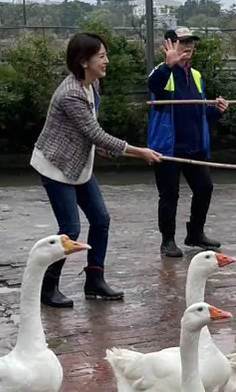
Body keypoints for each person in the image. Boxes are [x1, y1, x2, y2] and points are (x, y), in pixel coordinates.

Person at [32, 33, 162, 307]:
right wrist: (140, 152)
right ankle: (46, 288)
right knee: (70, 228)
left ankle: (94, 280)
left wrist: (102, 150)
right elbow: (95, 133)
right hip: (56, 165)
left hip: (79, 165)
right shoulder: (70, 94)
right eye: (101, 56)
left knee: (101, 219)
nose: (107, 61)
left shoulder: (93, 85)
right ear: (83, 61)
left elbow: (88, 134)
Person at [147, 27, 230, 259]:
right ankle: (168, 241)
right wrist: (168, 65)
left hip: (195, 147)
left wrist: (217, 112)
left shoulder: (195, 75)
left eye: (191, 42)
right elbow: (153, 86)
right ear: (170, 45)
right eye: (183, 42)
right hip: (167, 147)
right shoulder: (162, 72)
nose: (188, 46)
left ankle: (195, 233)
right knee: (169, 195)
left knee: (205, 188)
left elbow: (199, 112)